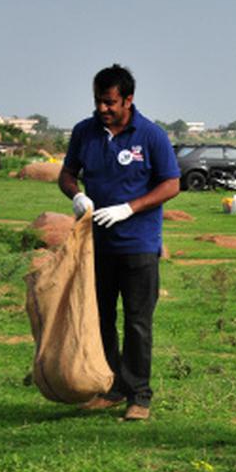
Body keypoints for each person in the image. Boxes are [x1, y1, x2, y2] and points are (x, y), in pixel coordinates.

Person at [59, 64, 180, 421]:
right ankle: (110, 387)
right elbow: (67, 173)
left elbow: (171, 183)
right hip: (97, 245)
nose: (102, 109)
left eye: (110, 102)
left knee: (138, 322)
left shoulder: (150, 135)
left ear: (128, 99)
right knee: (101, 318)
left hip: (139, 244)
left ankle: (139, 395)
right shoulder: (85, 132)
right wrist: (76, 196)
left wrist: (131, 208)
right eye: (98, 100)